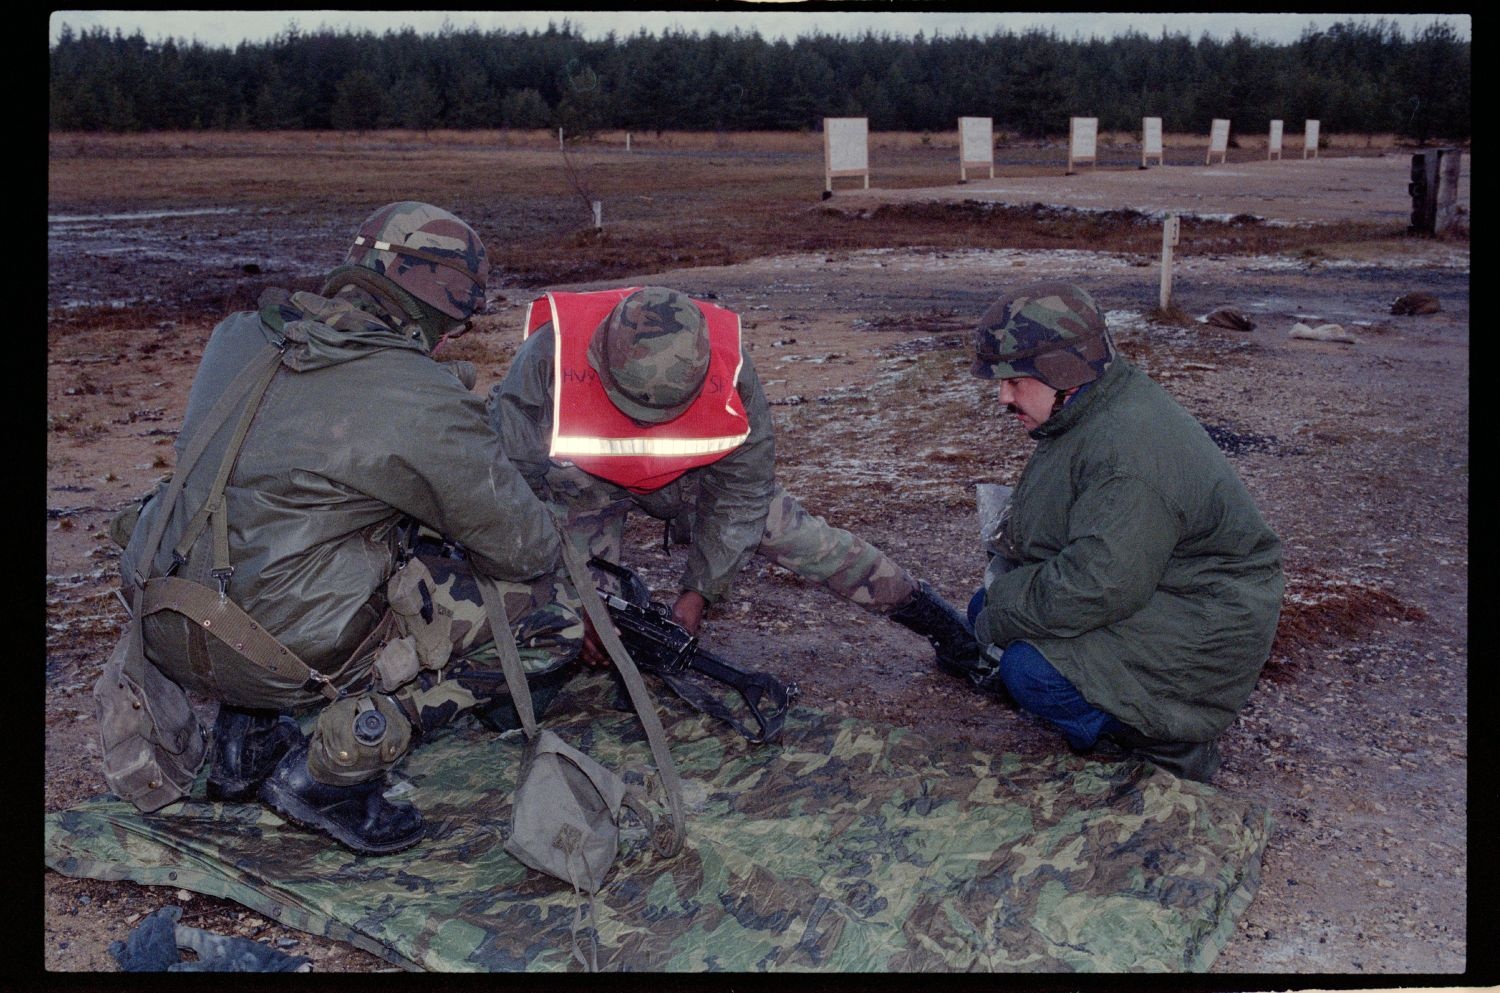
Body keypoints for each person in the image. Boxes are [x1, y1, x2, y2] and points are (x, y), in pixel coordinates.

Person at [108, 202, 586, 854]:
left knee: (276, 527)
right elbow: (523, 546)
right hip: (281, 653)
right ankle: (335, 763)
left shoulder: (239, 335)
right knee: (547, 610)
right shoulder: (415, 390)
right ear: (440, 310)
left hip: (170, 619)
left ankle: (243, 741)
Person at [485, 285, 982, 679]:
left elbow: (742, 495)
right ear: (599, 362)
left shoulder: (733, 374)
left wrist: (700, 591)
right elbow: (515, 495)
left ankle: (933, 618)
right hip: (582, 486)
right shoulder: (544, 361)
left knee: (810, 542)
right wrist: (577, 606)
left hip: (694, 478)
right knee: (577, 627)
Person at [965, 281, 1284, 782]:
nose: (1003, 396)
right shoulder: (1092, 404)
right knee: (985, 612)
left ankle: (1170, 742)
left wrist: (1006, 608)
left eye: (1015, 379)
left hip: (1205, 621)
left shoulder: (1126, 455)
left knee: (1029, 671)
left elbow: (1097, 586)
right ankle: (1114, 710)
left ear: (1062, 370)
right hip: (1162, 587)